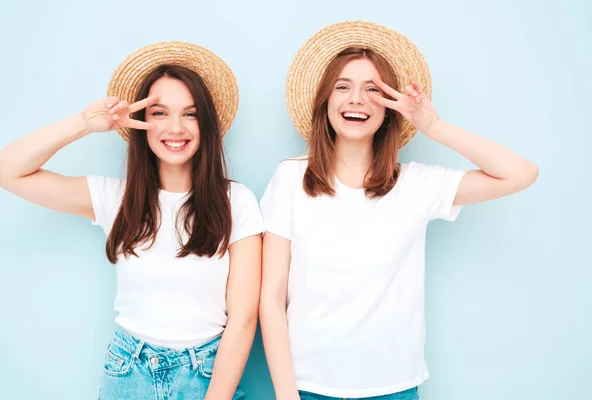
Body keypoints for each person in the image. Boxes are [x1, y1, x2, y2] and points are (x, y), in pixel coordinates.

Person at [259, 21, 538, 400]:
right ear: (325, 102)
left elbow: (521, 174)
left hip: (393, 388)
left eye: (372, 90)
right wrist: (287, 396)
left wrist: (433, 126)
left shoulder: (417, 185)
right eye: (343, 87)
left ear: (389, 109)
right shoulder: (290, 178)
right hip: (307, 388)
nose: (355, 99)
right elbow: (271, 298)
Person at [0, 41, 263, 400]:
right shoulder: (116, 198)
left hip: (207, 375)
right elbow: (8, 170)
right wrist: (83, 123)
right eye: (159, 113)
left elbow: (244, 318)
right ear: (142, 122)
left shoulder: (238, 202)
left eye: (190, 114)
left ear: (207, 124)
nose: (175, 127)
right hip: (128, 374)